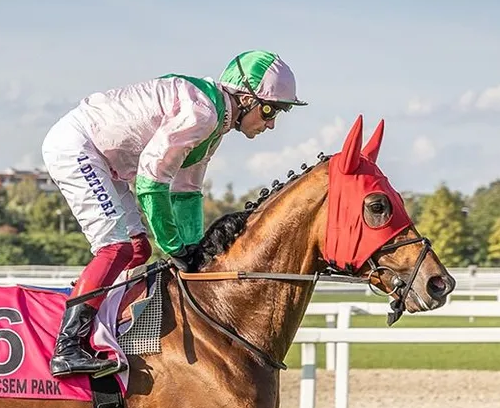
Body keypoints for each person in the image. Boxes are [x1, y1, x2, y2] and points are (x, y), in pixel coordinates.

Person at [41, 50, 307, 377]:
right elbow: (151, 183)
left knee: (138, 249)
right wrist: (173, 247)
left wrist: (196, 254)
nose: (271, 123)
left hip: (106, 161)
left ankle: (104, 327)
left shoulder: (213, 124)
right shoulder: (203, 114)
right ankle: (67, 346)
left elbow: (186, 192)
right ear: (247, 98)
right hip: (79, 146)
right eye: (270, 110)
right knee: (116, 248)